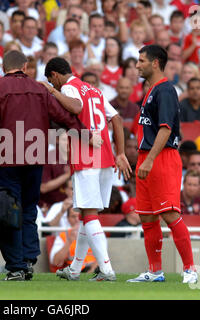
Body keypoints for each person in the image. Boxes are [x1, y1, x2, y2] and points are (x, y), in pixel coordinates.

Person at [0, 50, 94, 281]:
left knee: (9, 211)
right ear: (25, 65)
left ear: (3, 66)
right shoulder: (40, 88)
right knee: (30, 208)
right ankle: (29, 259)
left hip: (5, 157)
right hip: (35, 157)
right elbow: (63, 116)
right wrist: (85, 134)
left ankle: (16, 266)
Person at [43, 56, 132, 281]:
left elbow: (75, 106)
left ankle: (107, 269)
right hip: (105, 158)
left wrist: (53, 93)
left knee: (89, 214)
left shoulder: (70, 88)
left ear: (54, 75)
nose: (53, 87)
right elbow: (118, 120)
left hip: (86, 159)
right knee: (85, 213)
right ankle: (74, 270)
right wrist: (120, 153)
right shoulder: (94, 90)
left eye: (51, 82)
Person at [127, 45, 197, 284]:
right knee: (147, 218)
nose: (137, 65)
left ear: (155, 63)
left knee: (169, 214)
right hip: (147, 158)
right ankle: (155, 271)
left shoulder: (165, 90)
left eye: (141, 61)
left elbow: (166, 129)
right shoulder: (151, 90)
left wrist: (150, 159)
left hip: (161, 158)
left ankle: (190, 269)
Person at [49, 207, 97, 273]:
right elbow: (56, 262)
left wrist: (92, 270)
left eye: (79, 216)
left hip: (94, 270)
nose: (77, 219)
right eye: (73, 216)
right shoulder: (63, 235)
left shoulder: (95, 233)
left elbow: (103, 258)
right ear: (68, 219)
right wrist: (69, 241)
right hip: (75, 271)